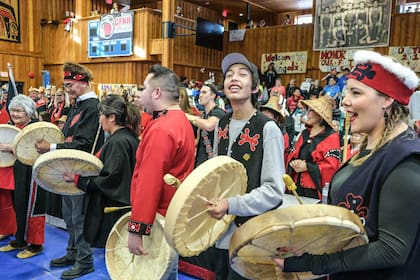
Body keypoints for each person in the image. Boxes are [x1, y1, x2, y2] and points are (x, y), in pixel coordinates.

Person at [274, 50, 420, 279]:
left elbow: (392, 250)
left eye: (356, 92)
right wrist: (311, 246)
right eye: (346, 92)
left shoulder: (406, 160)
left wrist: (316, 262)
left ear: (387, 99)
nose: (345, 101)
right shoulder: (370, 150)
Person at [207, 53, 285, 279]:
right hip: (219, 233)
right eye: (229, 74)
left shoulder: (267, 128)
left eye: (242, 74)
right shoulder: (221, 124)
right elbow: (216, 174)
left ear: (254, 88)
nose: (234, 78)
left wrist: (231, 204)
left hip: (251, 237)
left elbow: (274, 191)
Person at [35, 62, 103, 279]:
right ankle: (72, 253)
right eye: (65, 85)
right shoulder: (77, 105)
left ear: (83, 82)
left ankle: (85, 261)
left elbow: (83, 142)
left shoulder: (92, 107)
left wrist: (51, 147)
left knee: (79, 217)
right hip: (69, 167)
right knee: (70, 217)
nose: (67, 89)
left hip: (81, 170)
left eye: (70, 84)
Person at [127, 64, 195, 279]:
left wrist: (137, 229)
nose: (141, 94)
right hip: (172, 214)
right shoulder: (181, 120)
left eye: (144, 89)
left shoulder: (162, 128)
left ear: (157, 92)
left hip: (159, 219)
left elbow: (150, 182)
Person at [64, 94, 140, 247]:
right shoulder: (124, 137)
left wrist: (79, 179)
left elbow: (111, 178)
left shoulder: (118, 142)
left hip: (115, 208)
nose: (99, 120)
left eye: (100, 115)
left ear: (111, 117)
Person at [0, 95, 46, 259]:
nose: (15, 114)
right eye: (13, 110)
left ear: (28, 112)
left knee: (32, 208)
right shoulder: (11, 126)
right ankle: (19, 240)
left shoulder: (36, 128)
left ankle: (35, 245)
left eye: (19, 110)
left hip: (33, 173)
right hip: (16, 172)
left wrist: (10, 147)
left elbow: (37, 149)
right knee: (17, 206)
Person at [286, 95, 341, 199]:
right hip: (296, 186)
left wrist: (307, 167)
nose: (307, 114)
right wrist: (294, 162)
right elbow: (293, 154)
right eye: (308, 110)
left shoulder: (331, 137)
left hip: (314, 191)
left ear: (320, 115)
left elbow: (331, 167)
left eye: (311, 111)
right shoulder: (305, 133)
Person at [186, 83, 226, 167]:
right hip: (201, 159)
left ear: (213, 96)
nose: (200, 95)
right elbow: (198, 140)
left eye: (204, 92)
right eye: (200, 92)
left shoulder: (218, 112)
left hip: (213, 161)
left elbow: (209, 125)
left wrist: (186, 115)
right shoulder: (203, 115)